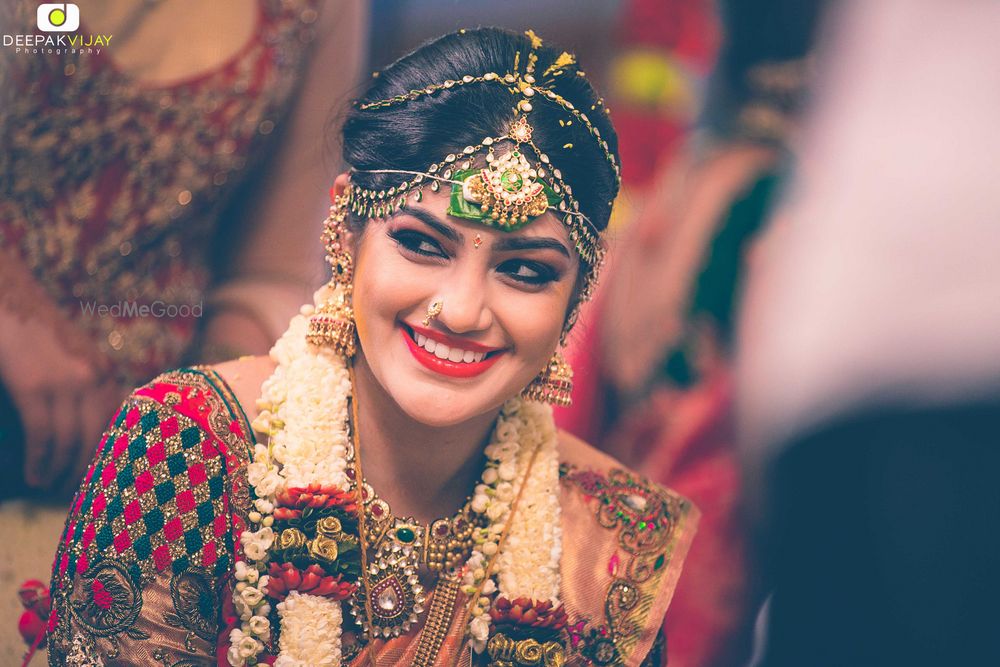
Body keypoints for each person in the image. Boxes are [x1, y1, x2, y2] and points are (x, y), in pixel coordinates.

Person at [42, 28, 697, 666]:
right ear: (346, 231)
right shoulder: (189, 443)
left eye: (525, 270)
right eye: (421, 243)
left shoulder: (615, 542)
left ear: (578, 293)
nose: (462, 310)